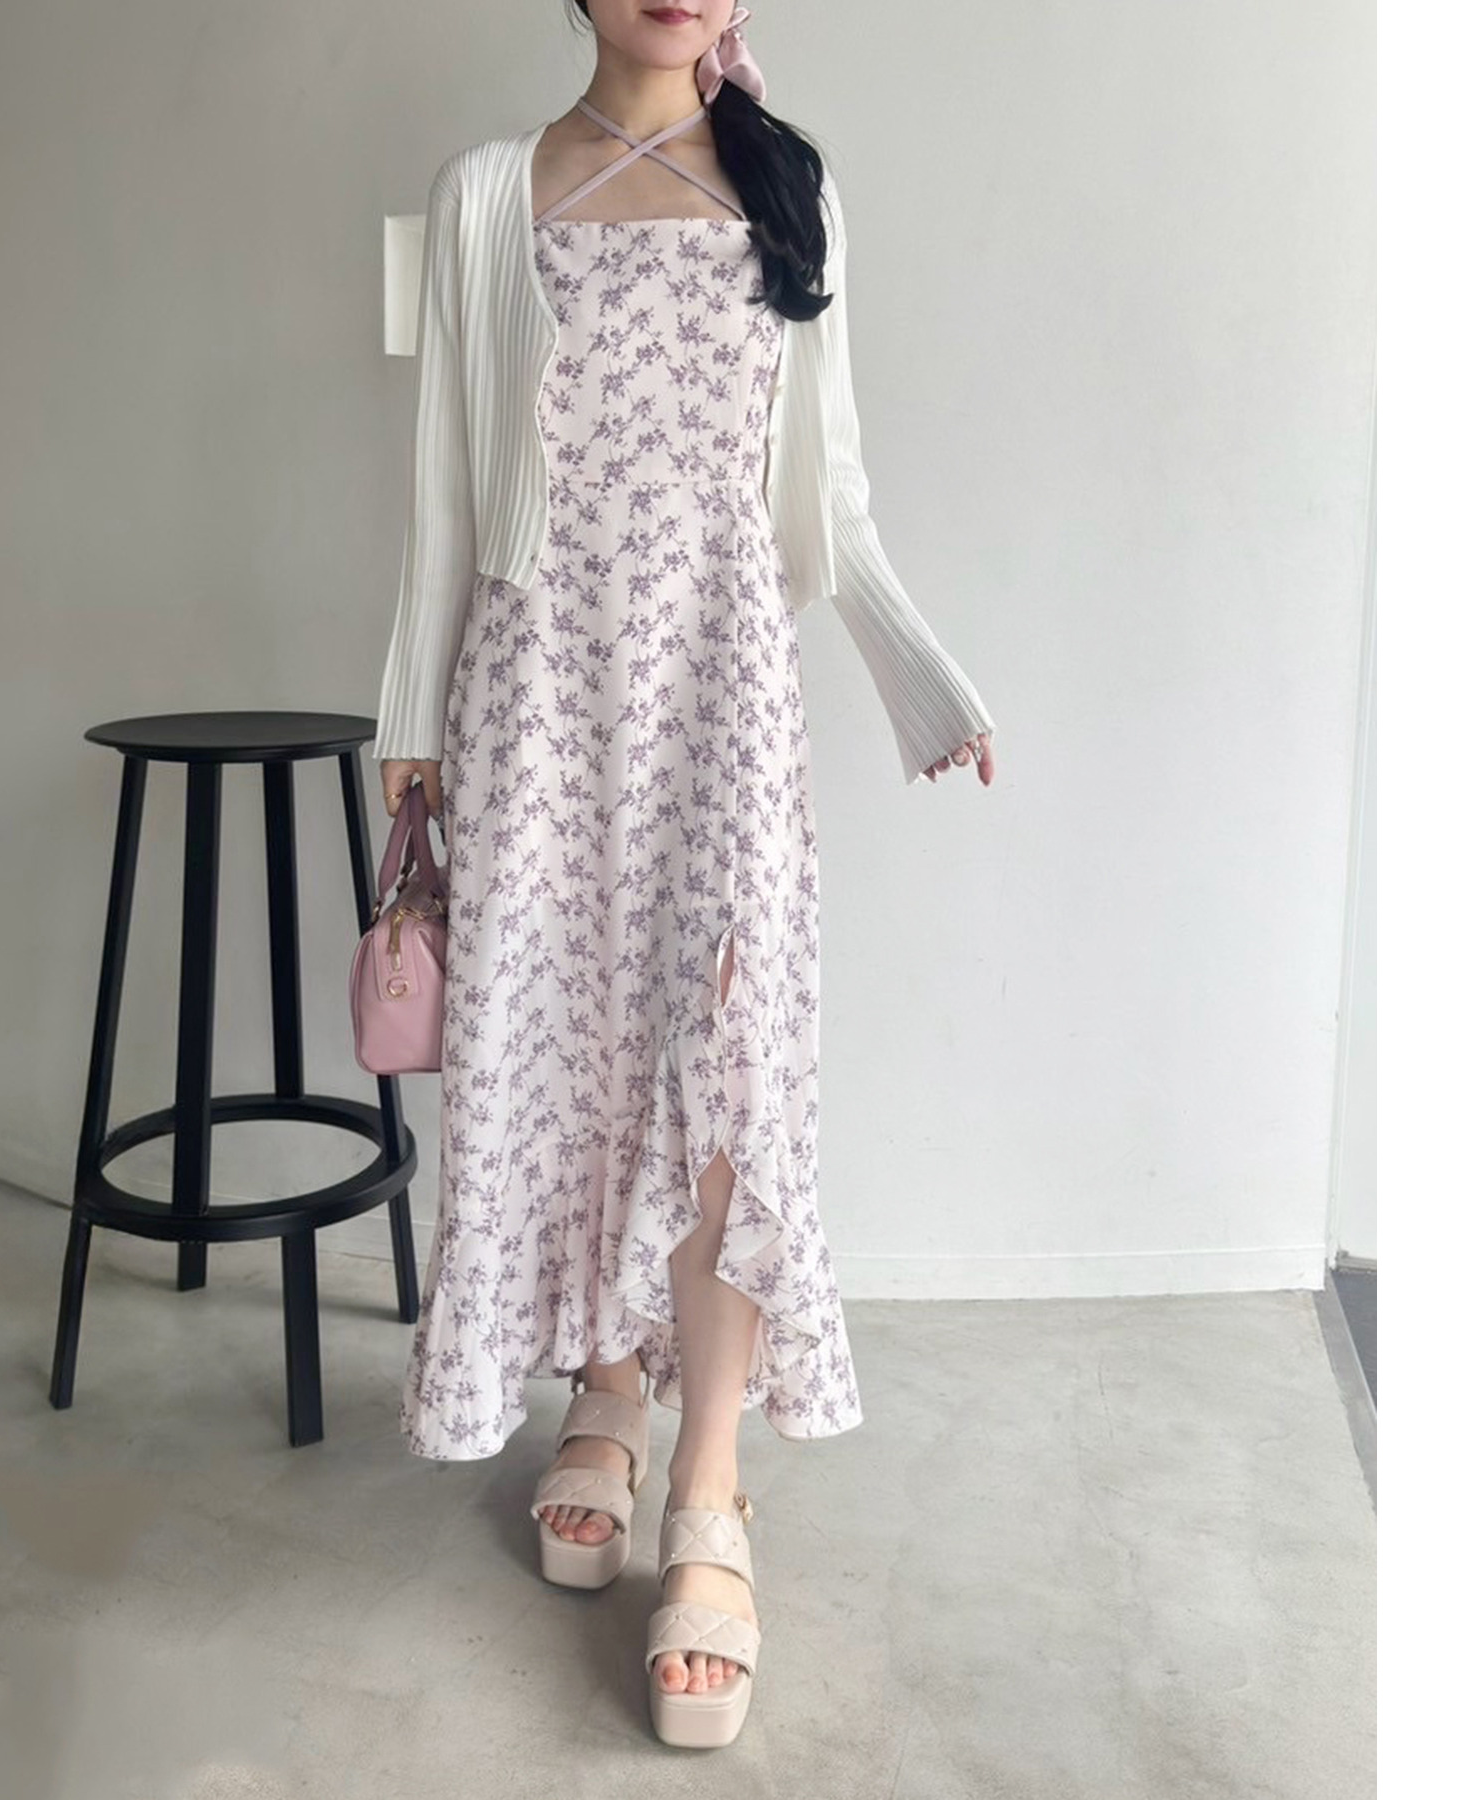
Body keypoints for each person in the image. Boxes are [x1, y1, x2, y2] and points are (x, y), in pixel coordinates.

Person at [370, 3, 997, 1748]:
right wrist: (406, 732)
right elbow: (443, 498)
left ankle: (706, 1485)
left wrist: (925, 685)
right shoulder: (491, 192)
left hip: (724, 698)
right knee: (571, 1063)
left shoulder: (794, 190)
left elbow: (832, 495)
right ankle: (608, 1387)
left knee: (724, 1080)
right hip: (538, 699)